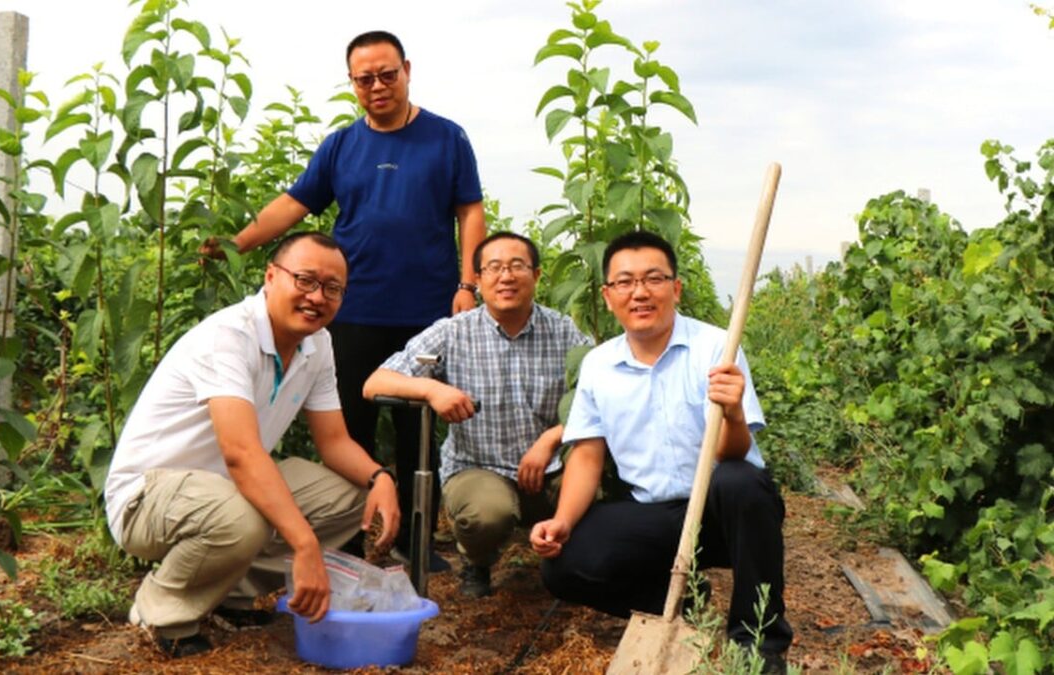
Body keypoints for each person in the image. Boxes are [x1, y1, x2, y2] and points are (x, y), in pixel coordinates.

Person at [207, 30, 485, 570]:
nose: (377, 86)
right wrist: (235, 244)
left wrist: (467, 285)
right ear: (352, 83)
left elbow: (469, 210)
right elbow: (294, 204)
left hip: (427, 312)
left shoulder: (447, 138)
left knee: (418, 432)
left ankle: (418, 540)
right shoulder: (341, 145)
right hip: (351, 309)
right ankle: (355, 539)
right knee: (350, 424)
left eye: (387, 74)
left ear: (407, 69)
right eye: (365, 79)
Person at [105, 233, 400, 658]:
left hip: (222, 489)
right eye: (305, 280)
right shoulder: (228, 336)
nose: (317, 297)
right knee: (242, 517)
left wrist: (380, 478)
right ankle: (161, 612)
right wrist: (305, 545)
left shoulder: (317, 345)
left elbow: (334, 441)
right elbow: (241, 454)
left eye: (332, 288)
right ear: (270, 277)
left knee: (349, 498)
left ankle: (229, 593)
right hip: (147, 495)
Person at [529, 231, 793, 668]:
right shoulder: (599, 365)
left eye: (654, 278)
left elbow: (735, 453)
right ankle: (681, 605)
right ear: (608, 295)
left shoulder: (716, 347)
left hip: (724, 514)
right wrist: (561, 521)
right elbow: (588, 455)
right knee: (564, 566)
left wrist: (732, 414)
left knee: (741, 480)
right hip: (657, 517)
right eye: (626, 282)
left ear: (676, 288)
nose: (640, 292)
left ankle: (758, 643)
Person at [362, 232, 592, 597]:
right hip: (478, 467)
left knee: (593, 501)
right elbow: (375, 383)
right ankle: (477, 560)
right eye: (495, 268)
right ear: (479, 279)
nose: (506, 276)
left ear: (537, 275)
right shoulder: (454, 332)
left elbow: (603, 397)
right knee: (484, 516)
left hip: (549, 466)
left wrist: (550, 439)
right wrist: (433, 388)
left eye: (517, 266)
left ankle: (563, 557)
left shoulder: (564, 332)